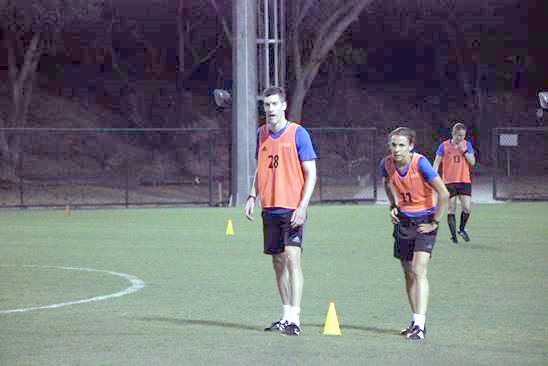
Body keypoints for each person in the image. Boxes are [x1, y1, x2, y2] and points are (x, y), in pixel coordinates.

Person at [244, 86, 318, 337]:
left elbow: (311, 173)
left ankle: (295, 319)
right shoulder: (261, 134)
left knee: (292, 259)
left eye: (275, 104)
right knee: (277, 262)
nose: (270, 109)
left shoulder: (299, 134)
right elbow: (260, 168)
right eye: (267, 105)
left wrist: (303, 206)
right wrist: (252, 195)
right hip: (270, 208)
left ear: (284, 106)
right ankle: (285, 315)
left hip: (292, 208)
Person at [381, 127, 449, 340]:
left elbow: (444, 193)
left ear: (411, 146)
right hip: (403, 221)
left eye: (401, 145)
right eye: (393, 145)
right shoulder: (386, 164)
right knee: (408, 273)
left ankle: (420, 324)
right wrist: (392, 204)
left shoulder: (420, 163)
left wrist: (435, 222)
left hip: (424, 222)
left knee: (419, 270)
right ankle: (415, 320)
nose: (396, 150)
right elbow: (386, 182)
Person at [432, 122, 476, 243]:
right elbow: (436, 162)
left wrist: (464, 152)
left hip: (464, 181)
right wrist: (432, 177)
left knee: (466, 208)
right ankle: (453, 236)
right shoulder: (444, 146)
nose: (461, 138)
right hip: (449, 182)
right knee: (451, 208)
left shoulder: (467, 145)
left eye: (463, 135)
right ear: (453, 134)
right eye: (459, 135)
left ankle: (461, 229)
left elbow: (472, 162)